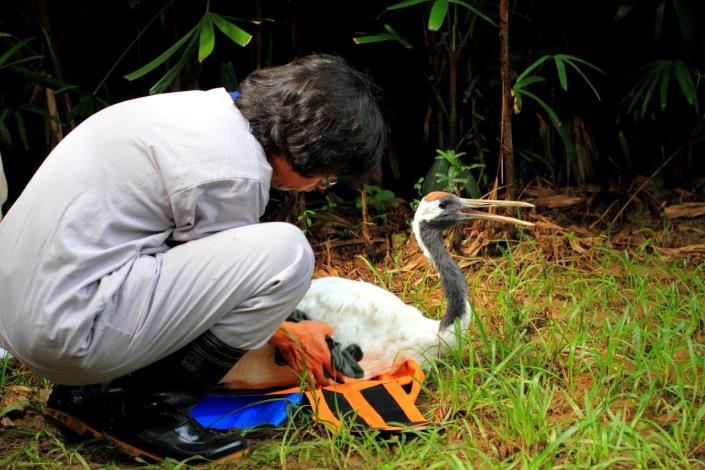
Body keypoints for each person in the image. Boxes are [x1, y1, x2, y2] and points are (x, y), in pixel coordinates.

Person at [0, 54, 385, 462]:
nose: (315, 187)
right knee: (287, 255)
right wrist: (285, 331)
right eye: (324, 178)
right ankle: (151, 413)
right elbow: (212, 299)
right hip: (66, 335)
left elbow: (176, 265)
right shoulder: (234, 173)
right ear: (302, 148)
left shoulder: (197, 112)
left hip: (19, 315)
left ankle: (85, 395)